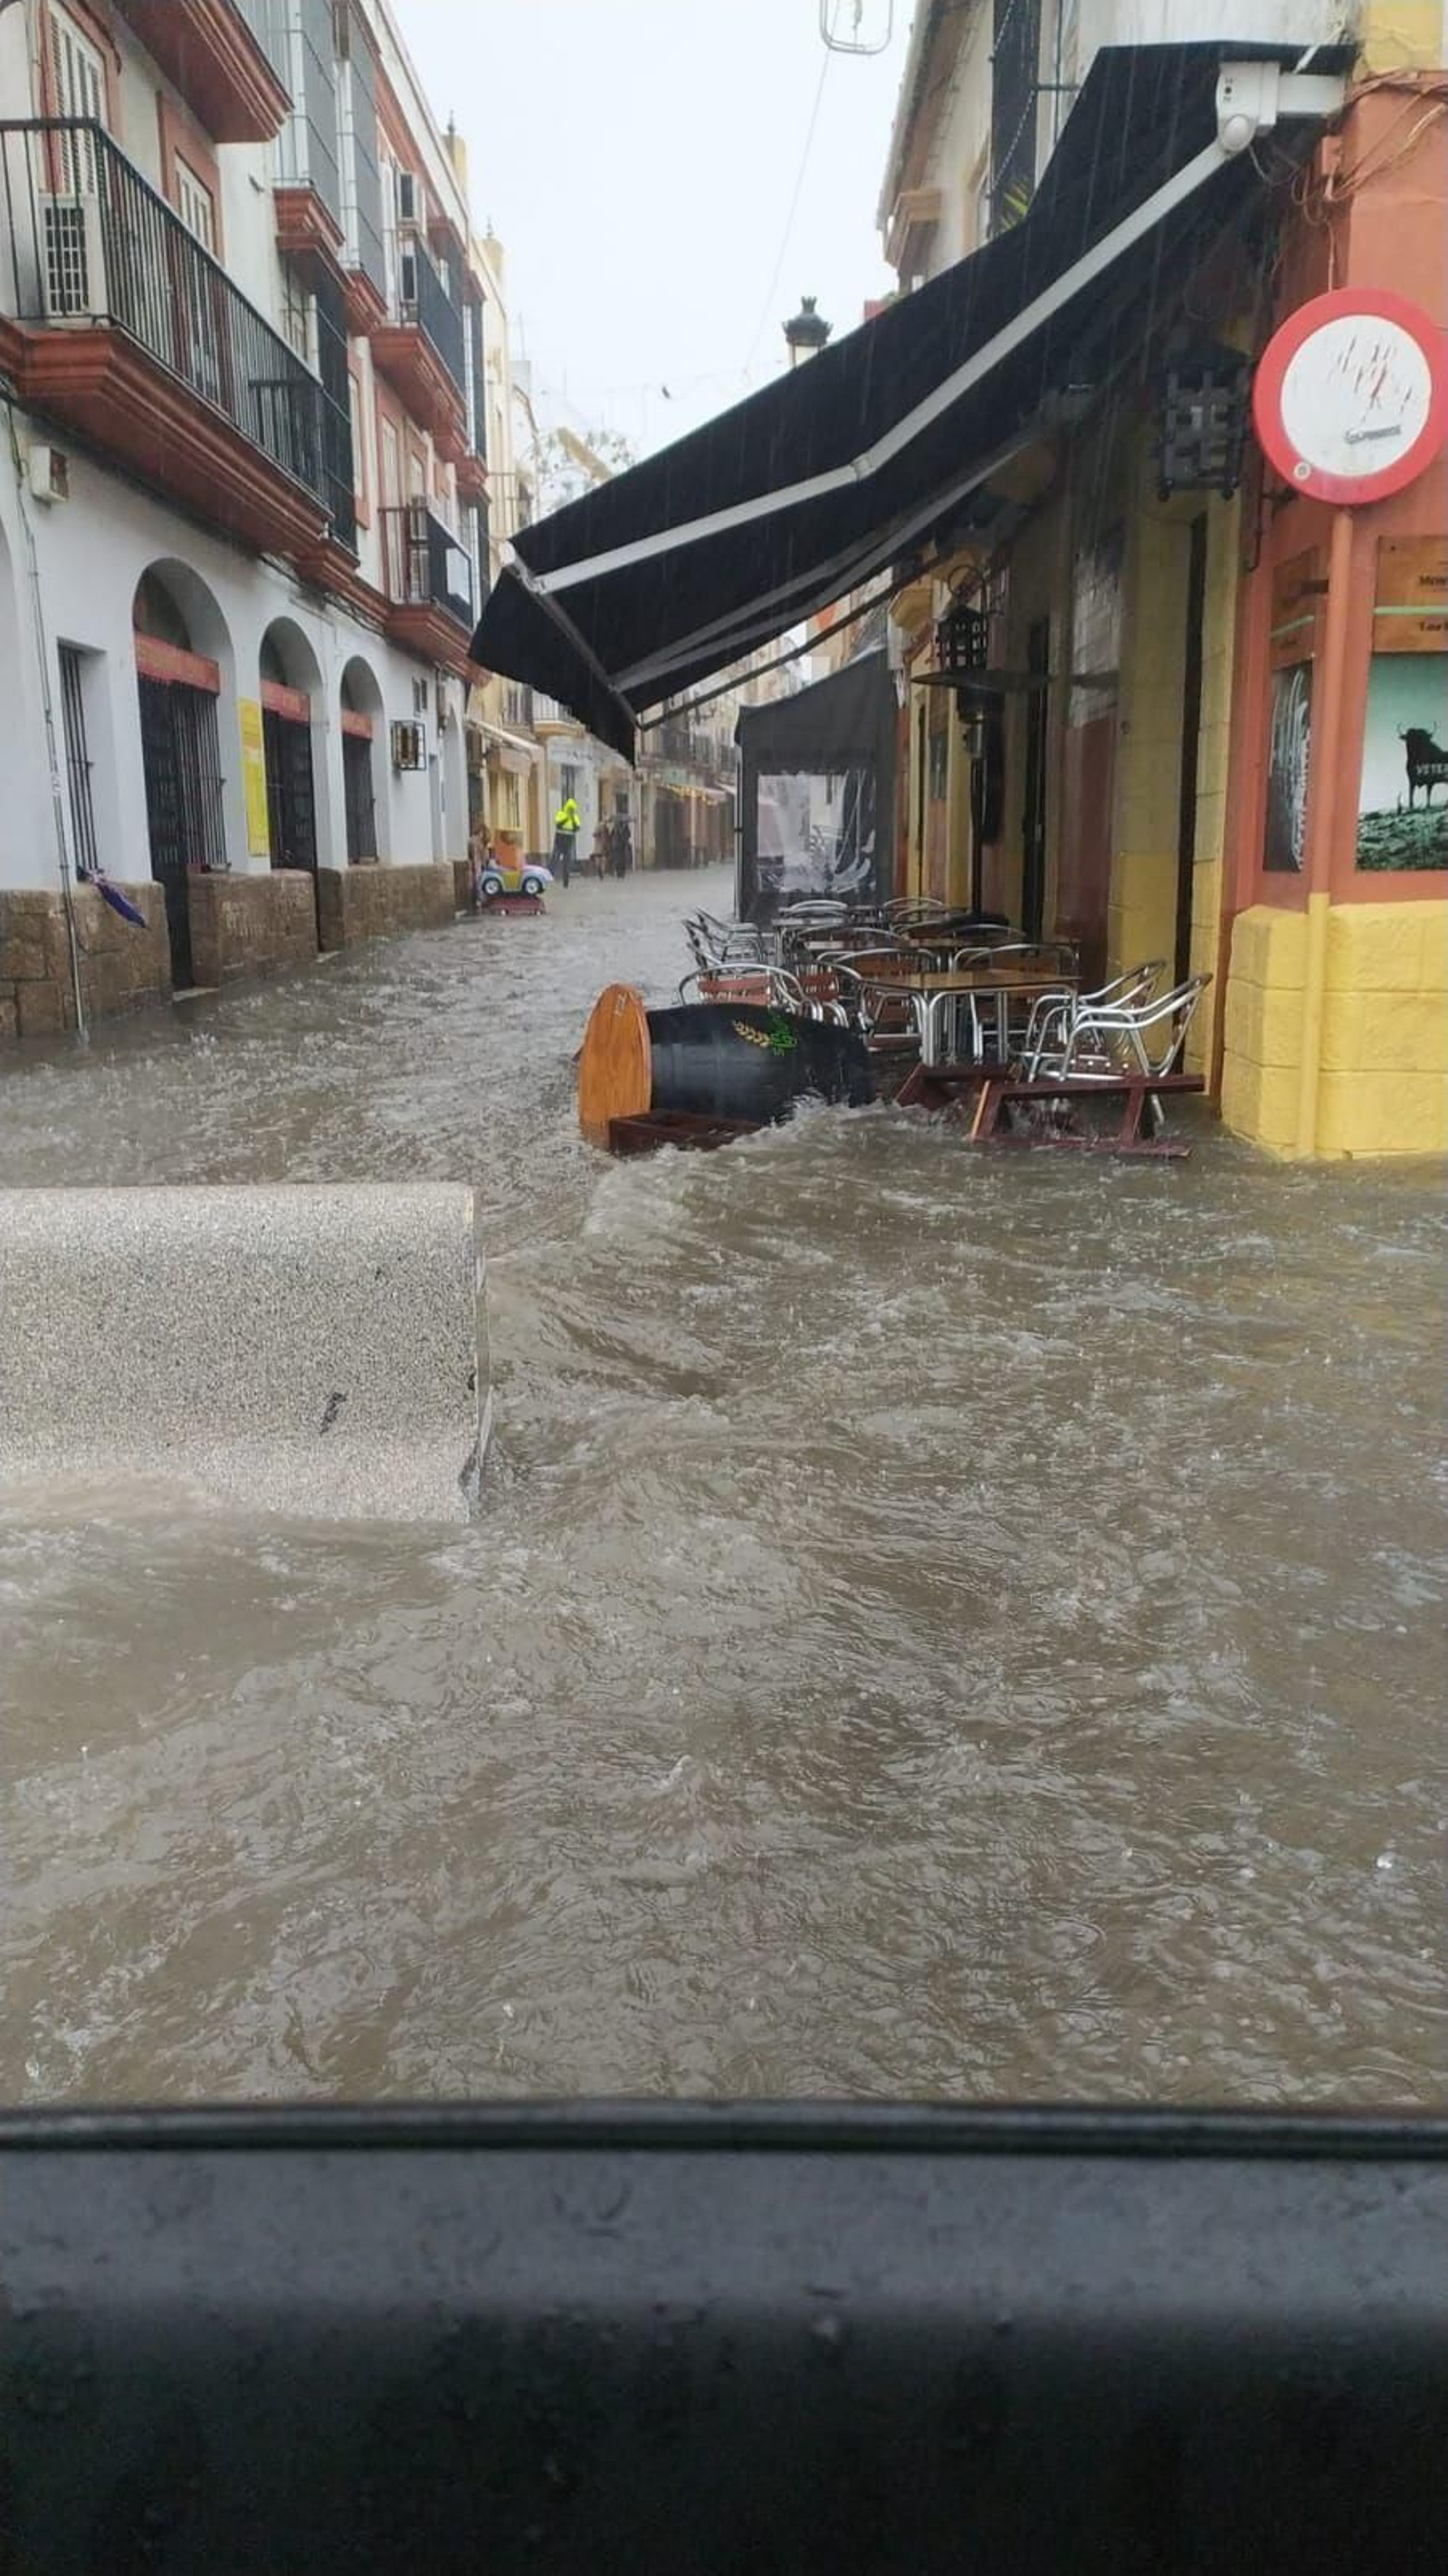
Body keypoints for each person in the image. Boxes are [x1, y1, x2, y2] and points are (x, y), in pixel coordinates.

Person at [552, 793, 581, 887]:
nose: (571, 811)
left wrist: (572, 818)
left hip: (569, 842)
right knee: (554, 859)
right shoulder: (561, 814)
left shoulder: (575, 817)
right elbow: (558, 825)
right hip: (559, 841)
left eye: (572, 809)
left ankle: (566, 882)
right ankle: (550, 876)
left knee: (567, 863)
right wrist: (567, 817)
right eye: (570, 809)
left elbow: (577, 828)